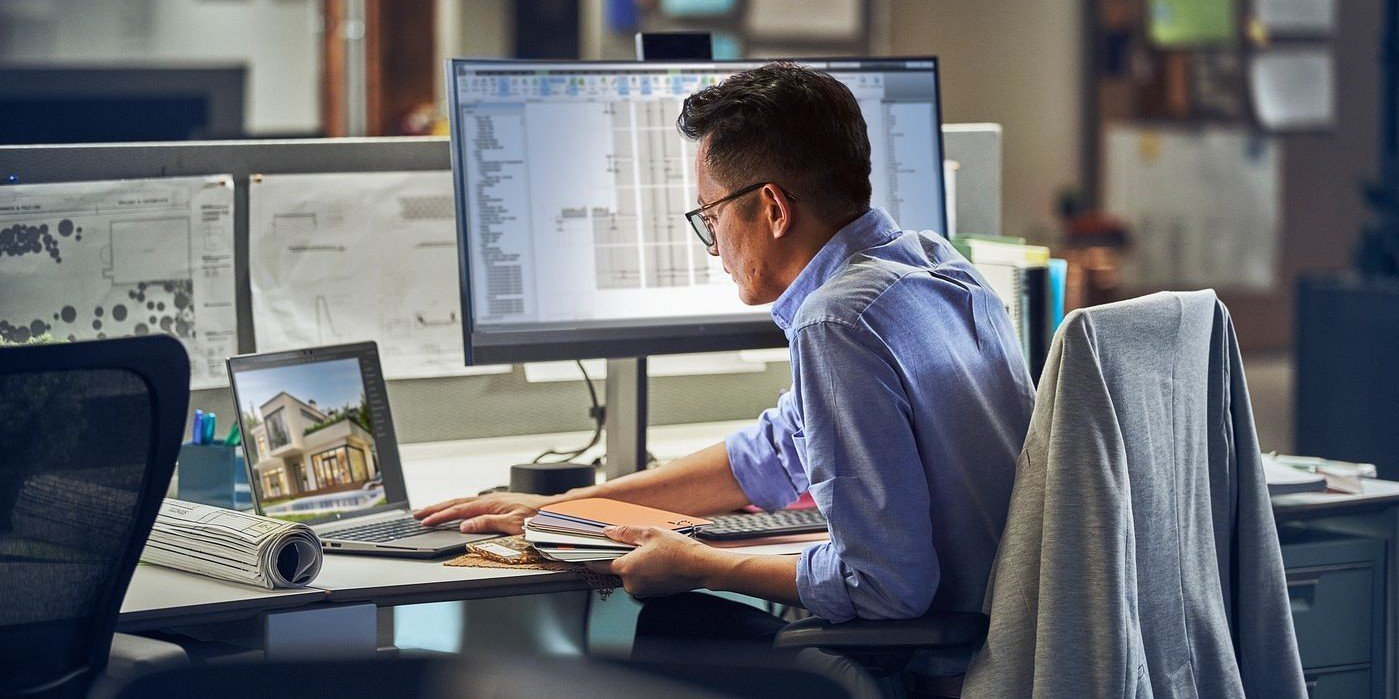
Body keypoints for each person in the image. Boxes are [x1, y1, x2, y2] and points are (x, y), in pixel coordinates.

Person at [416, 62, 1034, 645]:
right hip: (1009, 636)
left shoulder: (836, 322)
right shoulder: (937, 266)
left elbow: (884, 587)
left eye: (710, 215)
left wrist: (701, 565)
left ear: (772, 208)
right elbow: (771, 457)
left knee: (672, 621)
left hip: (938, 663)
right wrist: (563, 510)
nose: (712, 245)